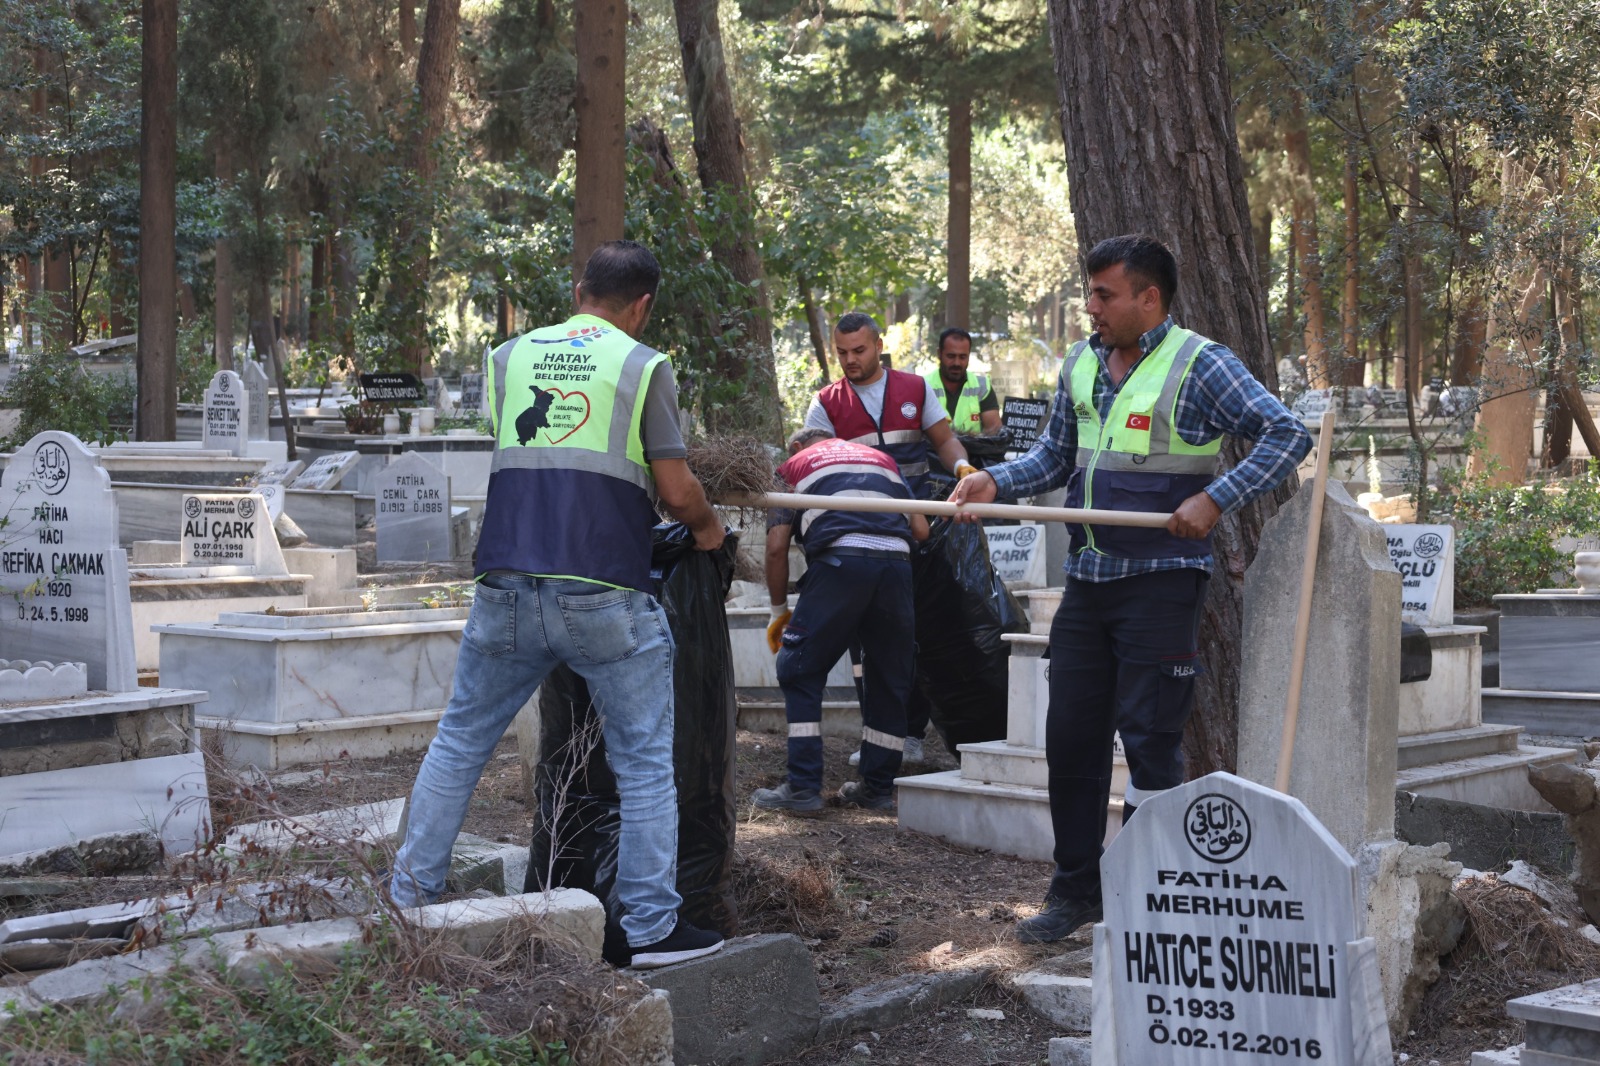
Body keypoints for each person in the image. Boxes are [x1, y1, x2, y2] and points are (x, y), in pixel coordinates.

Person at [949, 234, 1311, 944]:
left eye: (1105, 295)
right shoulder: (1082, 361)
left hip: (1161, 584)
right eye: (1089, 293)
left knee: (1150, 744)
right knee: (1072, 738)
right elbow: (1055, 455)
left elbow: (1286, 432)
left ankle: (1147, 894)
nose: (1092, 308)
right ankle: (1075, 891)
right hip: (1088, 582)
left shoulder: (1201, 364)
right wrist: (998, 481)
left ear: (1150, 298)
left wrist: (1218, 499)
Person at [389, 240, 727, 970]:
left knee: (459, 742)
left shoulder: (509, 358)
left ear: (580, 290)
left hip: (506, 585)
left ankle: (407, 898)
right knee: (641, 762)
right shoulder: (643, 366)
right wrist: (706, 528)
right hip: (602, 592)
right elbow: (673, 490)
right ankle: (649, 930)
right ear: (642, 305)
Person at [754, 428, 930, 814]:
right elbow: (921, 529)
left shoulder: (791, 467)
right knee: (888, 677)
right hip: (896, 568)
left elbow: (776, 546)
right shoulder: (884, 463)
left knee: (798, 667)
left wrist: (778, 610)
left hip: (840, 563)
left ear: (798, 447)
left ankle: (802, 787)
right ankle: (877, 788)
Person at [805, 312, 976, 497]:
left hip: (916, 511)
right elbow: (815, 466)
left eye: (859, 351)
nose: (850, 360)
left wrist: (962, 466)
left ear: (879, 346)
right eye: (842, 352)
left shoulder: (916, 388)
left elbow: (944, 441)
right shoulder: (825, 403)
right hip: (857, 518)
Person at [925, 328, 1001, 437]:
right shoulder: (923, 386)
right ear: (939, 354)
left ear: (969, 356)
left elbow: (995, 434)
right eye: (951, 356)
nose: (957, 363)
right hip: (933, 453)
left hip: (975, 453)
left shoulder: (982, 387)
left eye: (963, 357)